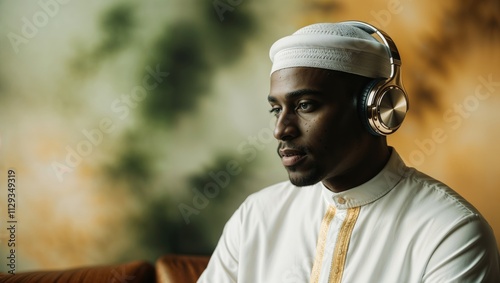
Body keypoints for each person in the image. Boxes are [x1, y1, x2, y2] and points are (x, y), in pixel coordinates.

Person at [197, 21, 500, 282]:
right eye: (276, 109)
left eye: (305, 105)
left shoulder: (450, 232)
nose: (280, 129)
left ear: (377, 109)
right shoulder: (256, 216)